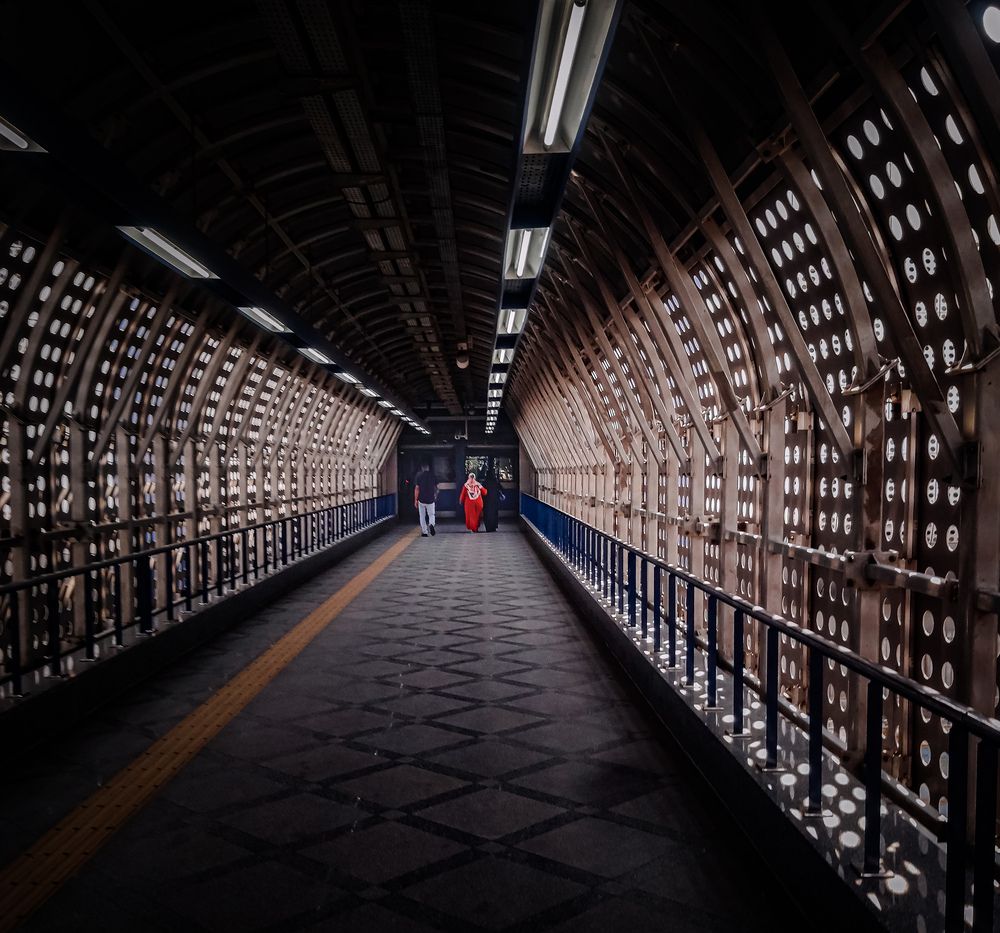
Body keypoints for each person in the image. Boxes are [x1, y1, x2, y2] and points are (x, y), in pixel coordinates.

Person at [413, 462, 437, 537]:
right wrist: (435, 495)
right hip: (430, 499)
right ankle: (431, 524)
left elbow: (417, 488)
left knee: (422, 516)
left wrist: (415, 500)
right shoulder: (433, 475)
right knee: (431, 514)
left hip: (421, 499)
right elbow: (436, 488)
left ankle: (424, 532)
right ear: (428, 468)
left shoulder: (418, 476)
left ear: (422, 468)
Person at [483, 466, 503, 532]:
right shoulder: (495, 481)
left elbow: (482, 491)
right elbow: (501, 488)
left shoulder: (485, 482)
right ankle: (494, 527)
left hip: (487, 500)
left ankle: (488, 527)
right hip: (495, 500)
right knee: (494, 513)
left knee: (487, 513)